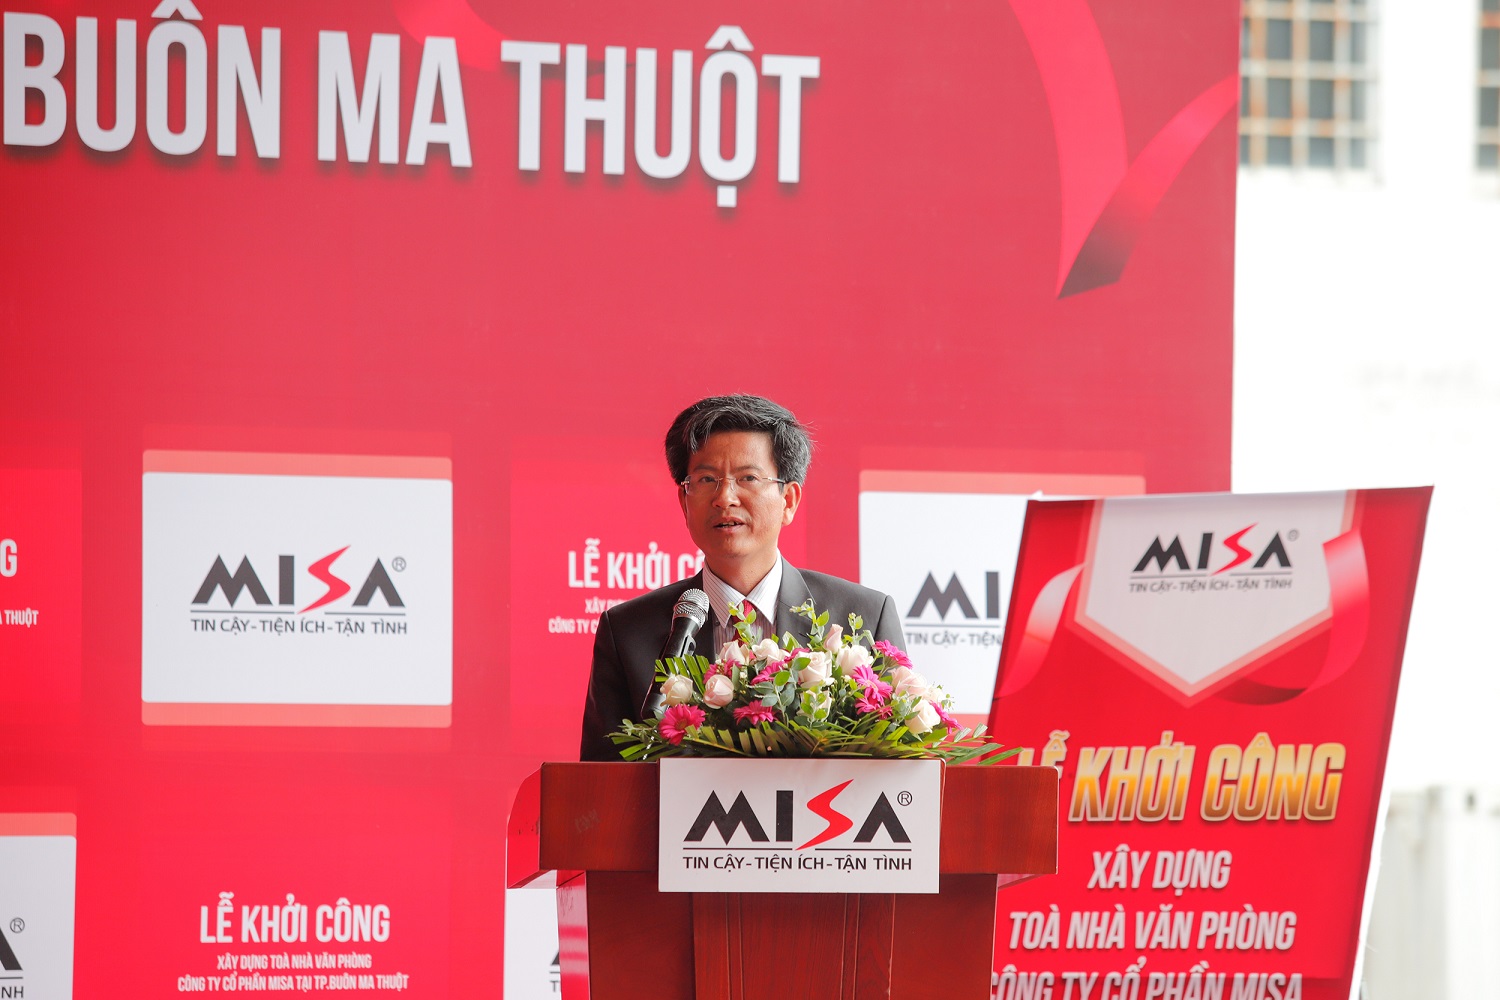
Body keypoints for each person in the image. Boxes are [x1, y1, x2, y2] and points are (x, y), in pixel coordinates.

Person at [578, 394, 906, 761]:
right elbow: (599, 782)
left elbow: (897, 769)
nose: (724, 498)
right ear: (684, 502)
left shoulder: (863, 618)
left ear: (789, 501)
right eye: (706, 479)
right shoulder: (628, 632)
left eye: (748, 477)